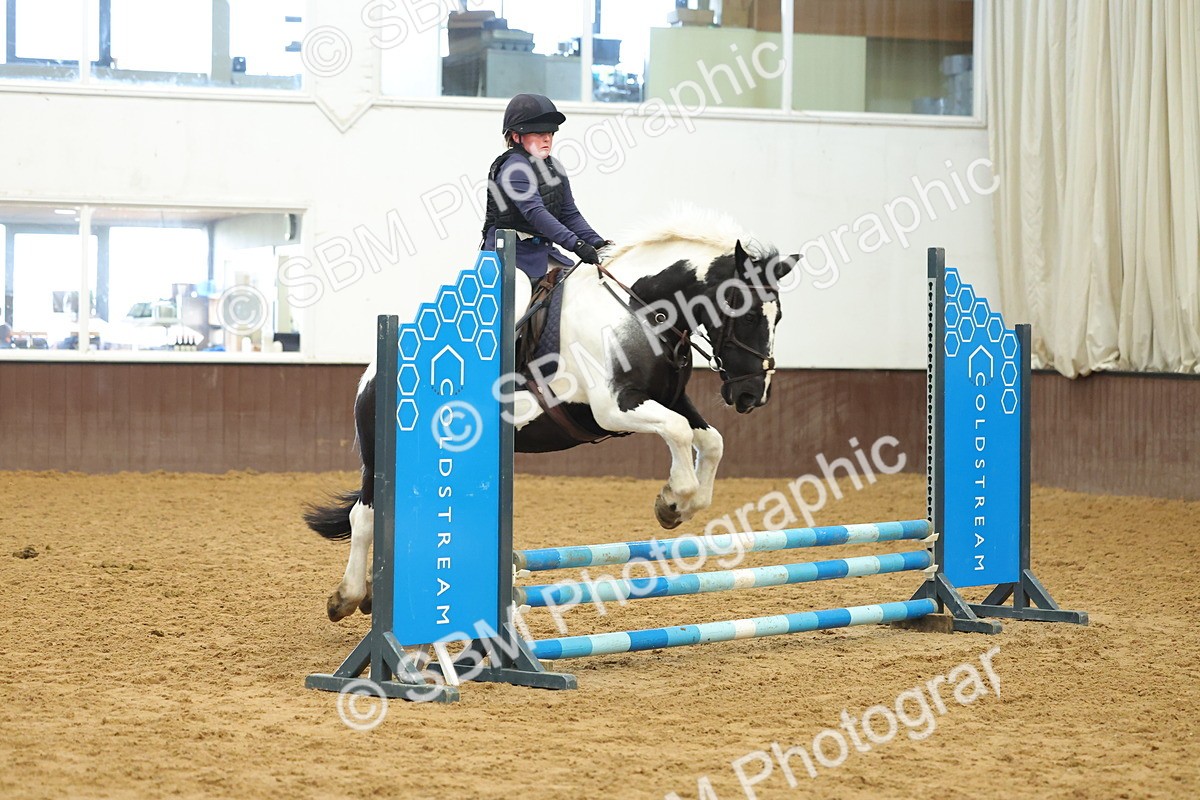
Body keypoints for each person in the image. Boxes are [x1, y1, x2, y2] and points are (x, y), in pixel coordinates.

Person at [481, 93, 610, 284]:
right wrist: (577, 244)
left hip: (543, 254)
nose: (547, 139)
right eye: (539, 133)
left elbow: (569, 214)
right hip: (508, 259)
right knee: (519, 305)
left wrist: (598, 243)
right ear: (517, 137)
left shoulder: (554, 166)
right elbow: (535, 213)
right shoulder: (513, 169)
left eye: (550, 133)